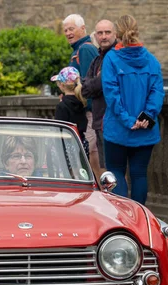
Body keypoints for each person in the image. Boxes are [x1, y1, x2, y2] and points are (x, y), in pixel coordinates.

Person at [101, 15, 165, 205]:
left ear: (117, 34)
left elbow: (112, 95)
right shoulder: (151, 60)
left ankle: (122, 218)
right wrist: (147, 116)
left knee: (116, 171)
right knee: (139, 174)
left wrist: (128, 120)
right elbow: (157, 92)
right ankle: (139, 218)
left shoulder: (112, 58)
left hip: (117, 129)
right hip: (145, 129)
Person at [62, 14, 101, 180]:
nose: (68, 33)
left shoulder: (85, 49)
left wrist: (86, 108)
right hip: (85, 112)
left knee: (91, 153)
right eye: (65, 30)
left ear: (83, 28)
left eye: (71, 29)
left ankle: (103, 191)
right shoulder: (79, 50)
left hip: (90, 113)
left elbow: (90, 83)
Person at [81, 19, 118, 172]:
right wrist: (97, 82)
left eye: (107, 32)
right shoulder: (97, 60)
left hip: (114, 120)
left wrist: (97, 83)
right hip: (100, 121)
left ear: (115, 34)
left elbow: (102, 83)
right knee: (106, 168)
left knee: (114, 170)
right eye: (100, 33)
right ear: (95, 36)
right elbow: (85, 89)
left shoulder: (117, 56)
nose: (104, 36)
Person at [50, 66, 90, 160]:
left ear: (62, 85)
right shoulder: (82, 101)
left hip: (67, 145)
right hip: (81, 142)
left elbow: (59, 129)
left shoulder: (62, 106)